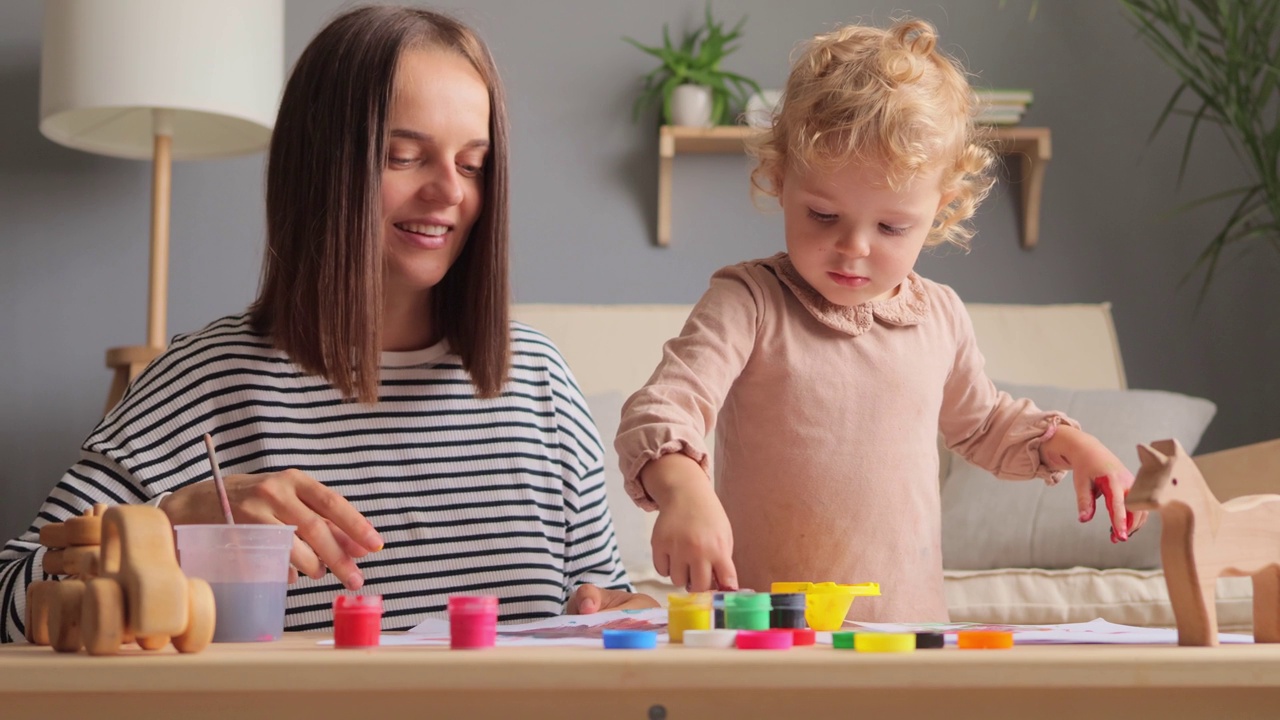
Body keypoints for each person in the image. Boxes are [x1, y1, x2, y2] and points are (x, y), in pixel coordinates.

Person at [1, 5, 653, 643]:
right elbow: (9, 593)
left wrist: (615, 608)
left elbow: (598, 604)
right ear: (323, 167)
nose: (450, 191)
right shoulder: (205, 382)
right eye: (405, 156)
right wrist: (163, 530)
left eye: (473, 165)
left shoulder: (539, 380)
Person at [614, 18, 1146, 622]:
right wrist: (684, 491)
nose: (854, 247)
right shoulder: (750, 302)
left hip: (906, 633)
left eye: (891, 227)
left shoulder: (939, 316)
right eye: (822, 214)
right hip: (767, 636)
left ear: (939, 209)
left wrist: (1073, 445)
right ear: (781, 178)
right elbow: (661, 410)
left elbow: (983, 424)